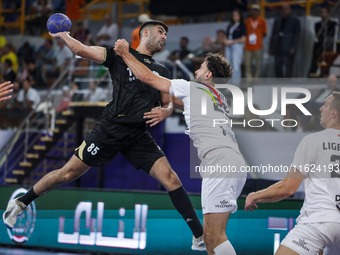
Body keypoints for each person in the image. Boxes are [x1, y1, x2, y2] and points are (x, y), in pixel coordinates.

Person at [3, 20, 205, 251]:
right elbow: (81, 50)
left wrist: (165, 111)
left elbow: (168, 103)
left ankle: (199, 236)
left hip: (138, 135)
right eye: (161, 32)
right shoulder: (117, 55)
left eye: (166, 35)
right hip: (109, 129)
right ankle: (20, 202)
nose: (164, 38)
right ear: (145, 32)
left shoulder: (162, 71)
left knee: (172, 179)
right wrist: (63, 35)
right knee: (67, 173)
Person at [114, 39, 247, 255]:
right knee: (212, 239)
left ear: (208, 75)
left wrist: (125, 54)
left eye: (201, 67)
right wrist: (167, 108)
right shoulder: (219, 97)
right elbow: (177, 102)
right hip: (234, 163)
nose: (196, 70)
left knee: (213, 237)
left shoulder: (191, 87)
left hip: (219, 163)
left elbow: (147, 77)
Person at [245, 92, 340, 255]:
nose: (320, 108)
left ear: (334, 113)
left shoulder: (313, 140)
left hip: (319, 222)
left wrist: (255, 195)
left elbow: (288, 188)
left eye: (325, 104)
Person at [269, 4, 300, 78]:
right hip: (278, 48)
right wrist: (271, 47)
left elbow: (297, 36)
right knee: (277, 67)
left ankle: (287, 84)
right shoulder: (277, 21)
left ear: (290, 10)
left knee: (288, 68)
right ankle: (278, 82)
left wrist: (293, 47)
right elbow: (273, 34)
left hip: (288, 48)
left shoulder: (295, 21)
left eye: (287, 9)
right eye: (283, 9)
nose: (285, 11)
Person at [309, 6, 338, 77]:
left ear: (328, 14)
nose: (322, 14)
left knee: (327, 66)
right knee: (314, 65)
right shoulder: (317, 25)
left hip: (328, 48)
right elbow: (318, 36)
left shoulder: (333, 24)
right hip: (318, 48)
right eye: (321, 12)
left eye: (324, 12)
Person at [244, 4, 267, 81]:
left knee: (258, 65)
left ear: (259, 12)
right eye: (253, 10)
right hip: (248, 47)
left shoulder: (262, 21)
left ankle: (257, 80)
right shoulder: (247, 21)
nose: (255, 12)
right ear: (251, 11)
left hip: (258, 46)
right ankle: (249, 80)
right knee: (248, 65)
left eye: (256, 10)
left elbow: (264, 33)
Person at [224, 9, 246, 86]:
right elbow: (227, 36)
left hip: (236, 45)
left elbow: (243, 38)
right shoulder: (230, 26)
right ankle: (229, 84)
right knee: (229, 66)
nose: (234, 17)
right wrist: (226, 41)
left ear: (240, 17)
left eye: (236, 15)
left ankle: (236, 85)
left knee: (236, 66)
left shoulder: (242, 26)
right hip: (228, 45)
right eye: (233, 15)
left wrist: (232, 42)